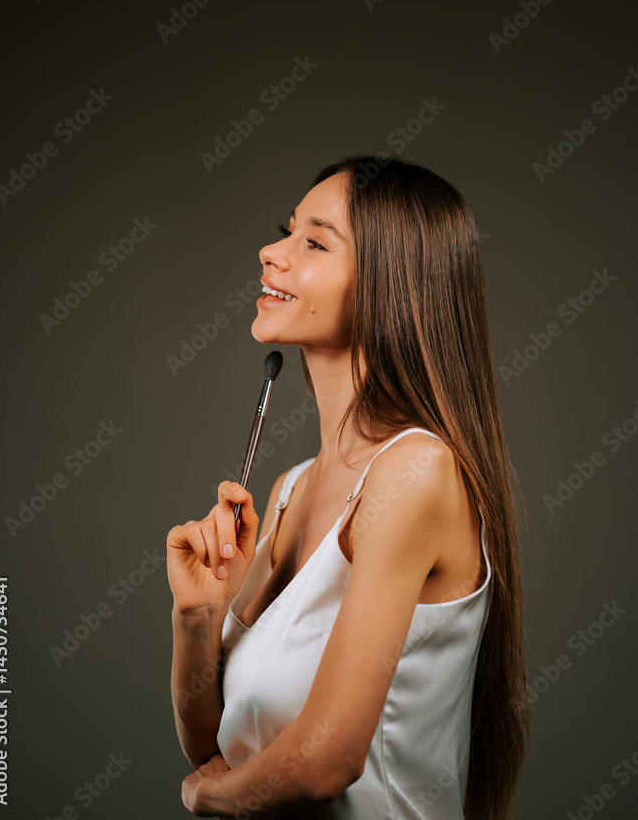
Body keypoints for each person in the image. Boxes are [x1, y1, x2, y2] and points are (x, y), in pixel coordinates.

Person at [166, 154, 531, 819]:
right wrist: (196, 617)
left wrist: (204, 800)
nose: (270, 252)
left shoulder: (415, 471)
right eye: (286, 230)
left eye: (312, 241)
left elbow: (322, 762)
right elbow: (219, 745)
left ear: (393, 286)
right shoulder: (289, 490)